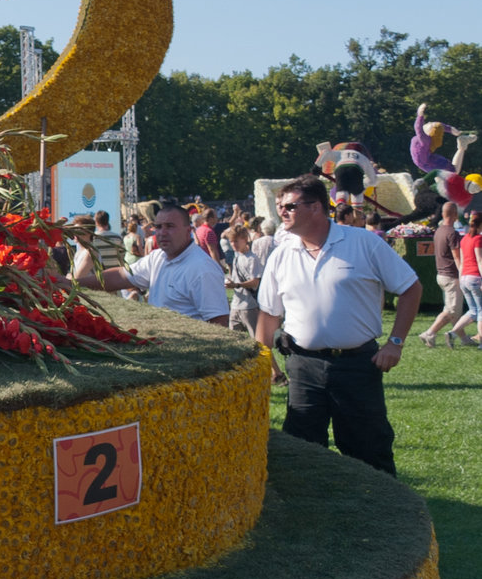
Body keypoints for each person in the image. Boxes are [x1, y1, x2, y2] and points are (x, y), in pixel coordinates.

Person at [255, 174, 421, 477]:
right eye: (280, 207)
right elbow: (268, 314)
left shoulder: (363, 243)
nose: (282, 212)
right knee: (302, 451)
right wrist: (263, 361)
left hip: (357, 365)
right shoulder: (282, 254)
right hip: (302, 365)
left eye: (290, 206)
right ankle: (310, 515)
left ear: (316, 206)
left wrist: (395, 343)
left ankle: (380, 514)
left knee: (368, 450)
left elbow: (411, 287)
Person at [75, 205, 229, 326]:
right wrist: (73, 284)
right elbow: (121, 276)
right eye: (159, 227)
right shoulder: (157, 257)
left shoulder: (203, 269)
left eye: (170, 226)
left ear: (188, 230)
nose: (162, 232)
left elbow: (220, 323)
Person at [418, 203, 464, 347]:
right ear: (455, 214)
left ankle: (464, 338)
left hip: (441, 274)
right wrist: (462, 273)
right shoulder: (452, 233)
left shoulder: (439, 231)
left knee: (454, 310)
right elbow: (457, 257)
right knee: (451, 310)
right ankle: (429, 333)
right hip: (451, 276)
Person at [445, 211, 482, 348]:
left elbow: (461, 261)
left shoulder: (464, 239)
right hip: (475, 277)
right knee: (481, 310)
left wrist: (461, 278)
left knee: (472, 311)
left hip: (465, 277)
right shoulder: (478, 239)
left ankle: (452, 333)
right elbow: (479, 260)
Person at [224, 225, 263, 336]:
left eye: (236, 241)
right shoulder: (236, 257)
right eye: (231, 241)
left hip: (249, 306)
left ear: (245, 240)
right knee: (233, 340)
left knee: (257, 341)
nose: (233, 244)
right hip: (236, 304)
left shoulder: (252, 259)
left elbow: (255, 281)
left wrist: (236, 285)